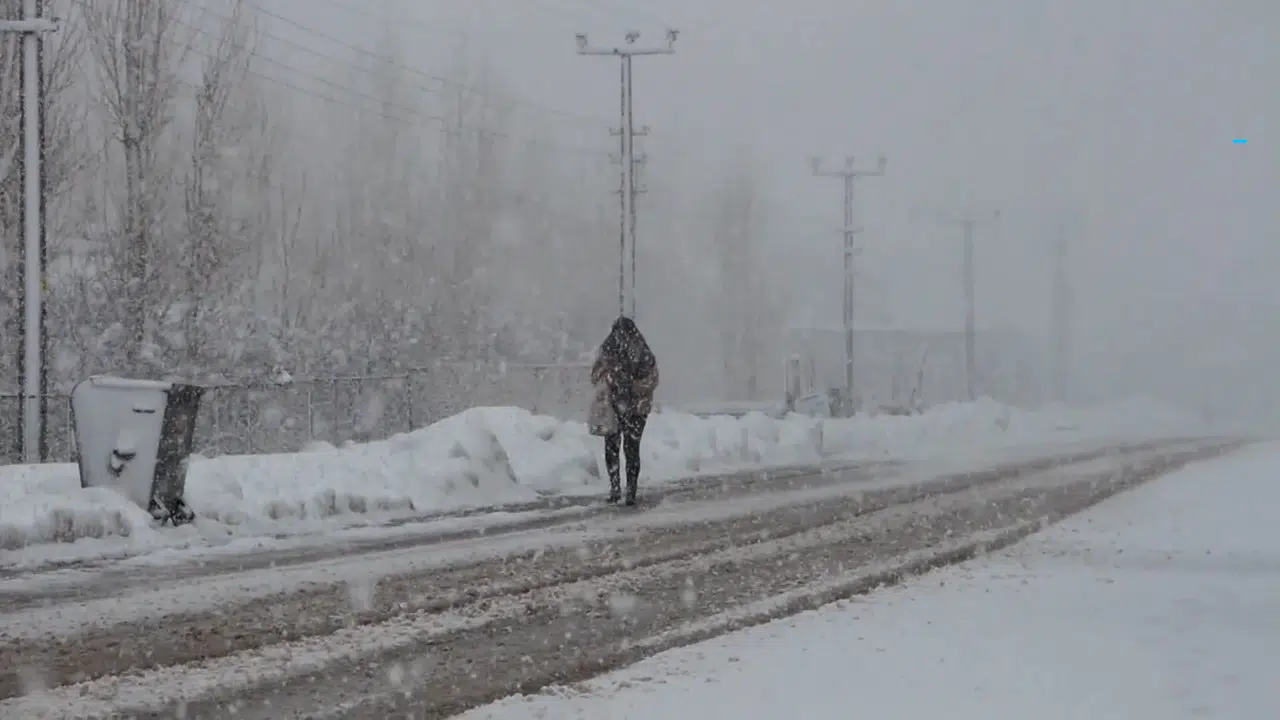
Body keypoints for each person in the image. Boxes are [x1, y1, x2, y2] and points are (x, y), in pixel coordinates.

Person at [591, 316, 659, 505]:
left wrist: (628, 387)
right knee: (626, 447)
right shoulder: (638, 352)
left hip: (630, 406)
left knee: (619, 447)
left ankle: (623, 489)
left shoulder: (633, 352)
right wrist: (613, 381)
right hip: (620, 407)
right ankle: (623, 489)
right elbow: (596, 375)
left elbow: (650, 380)